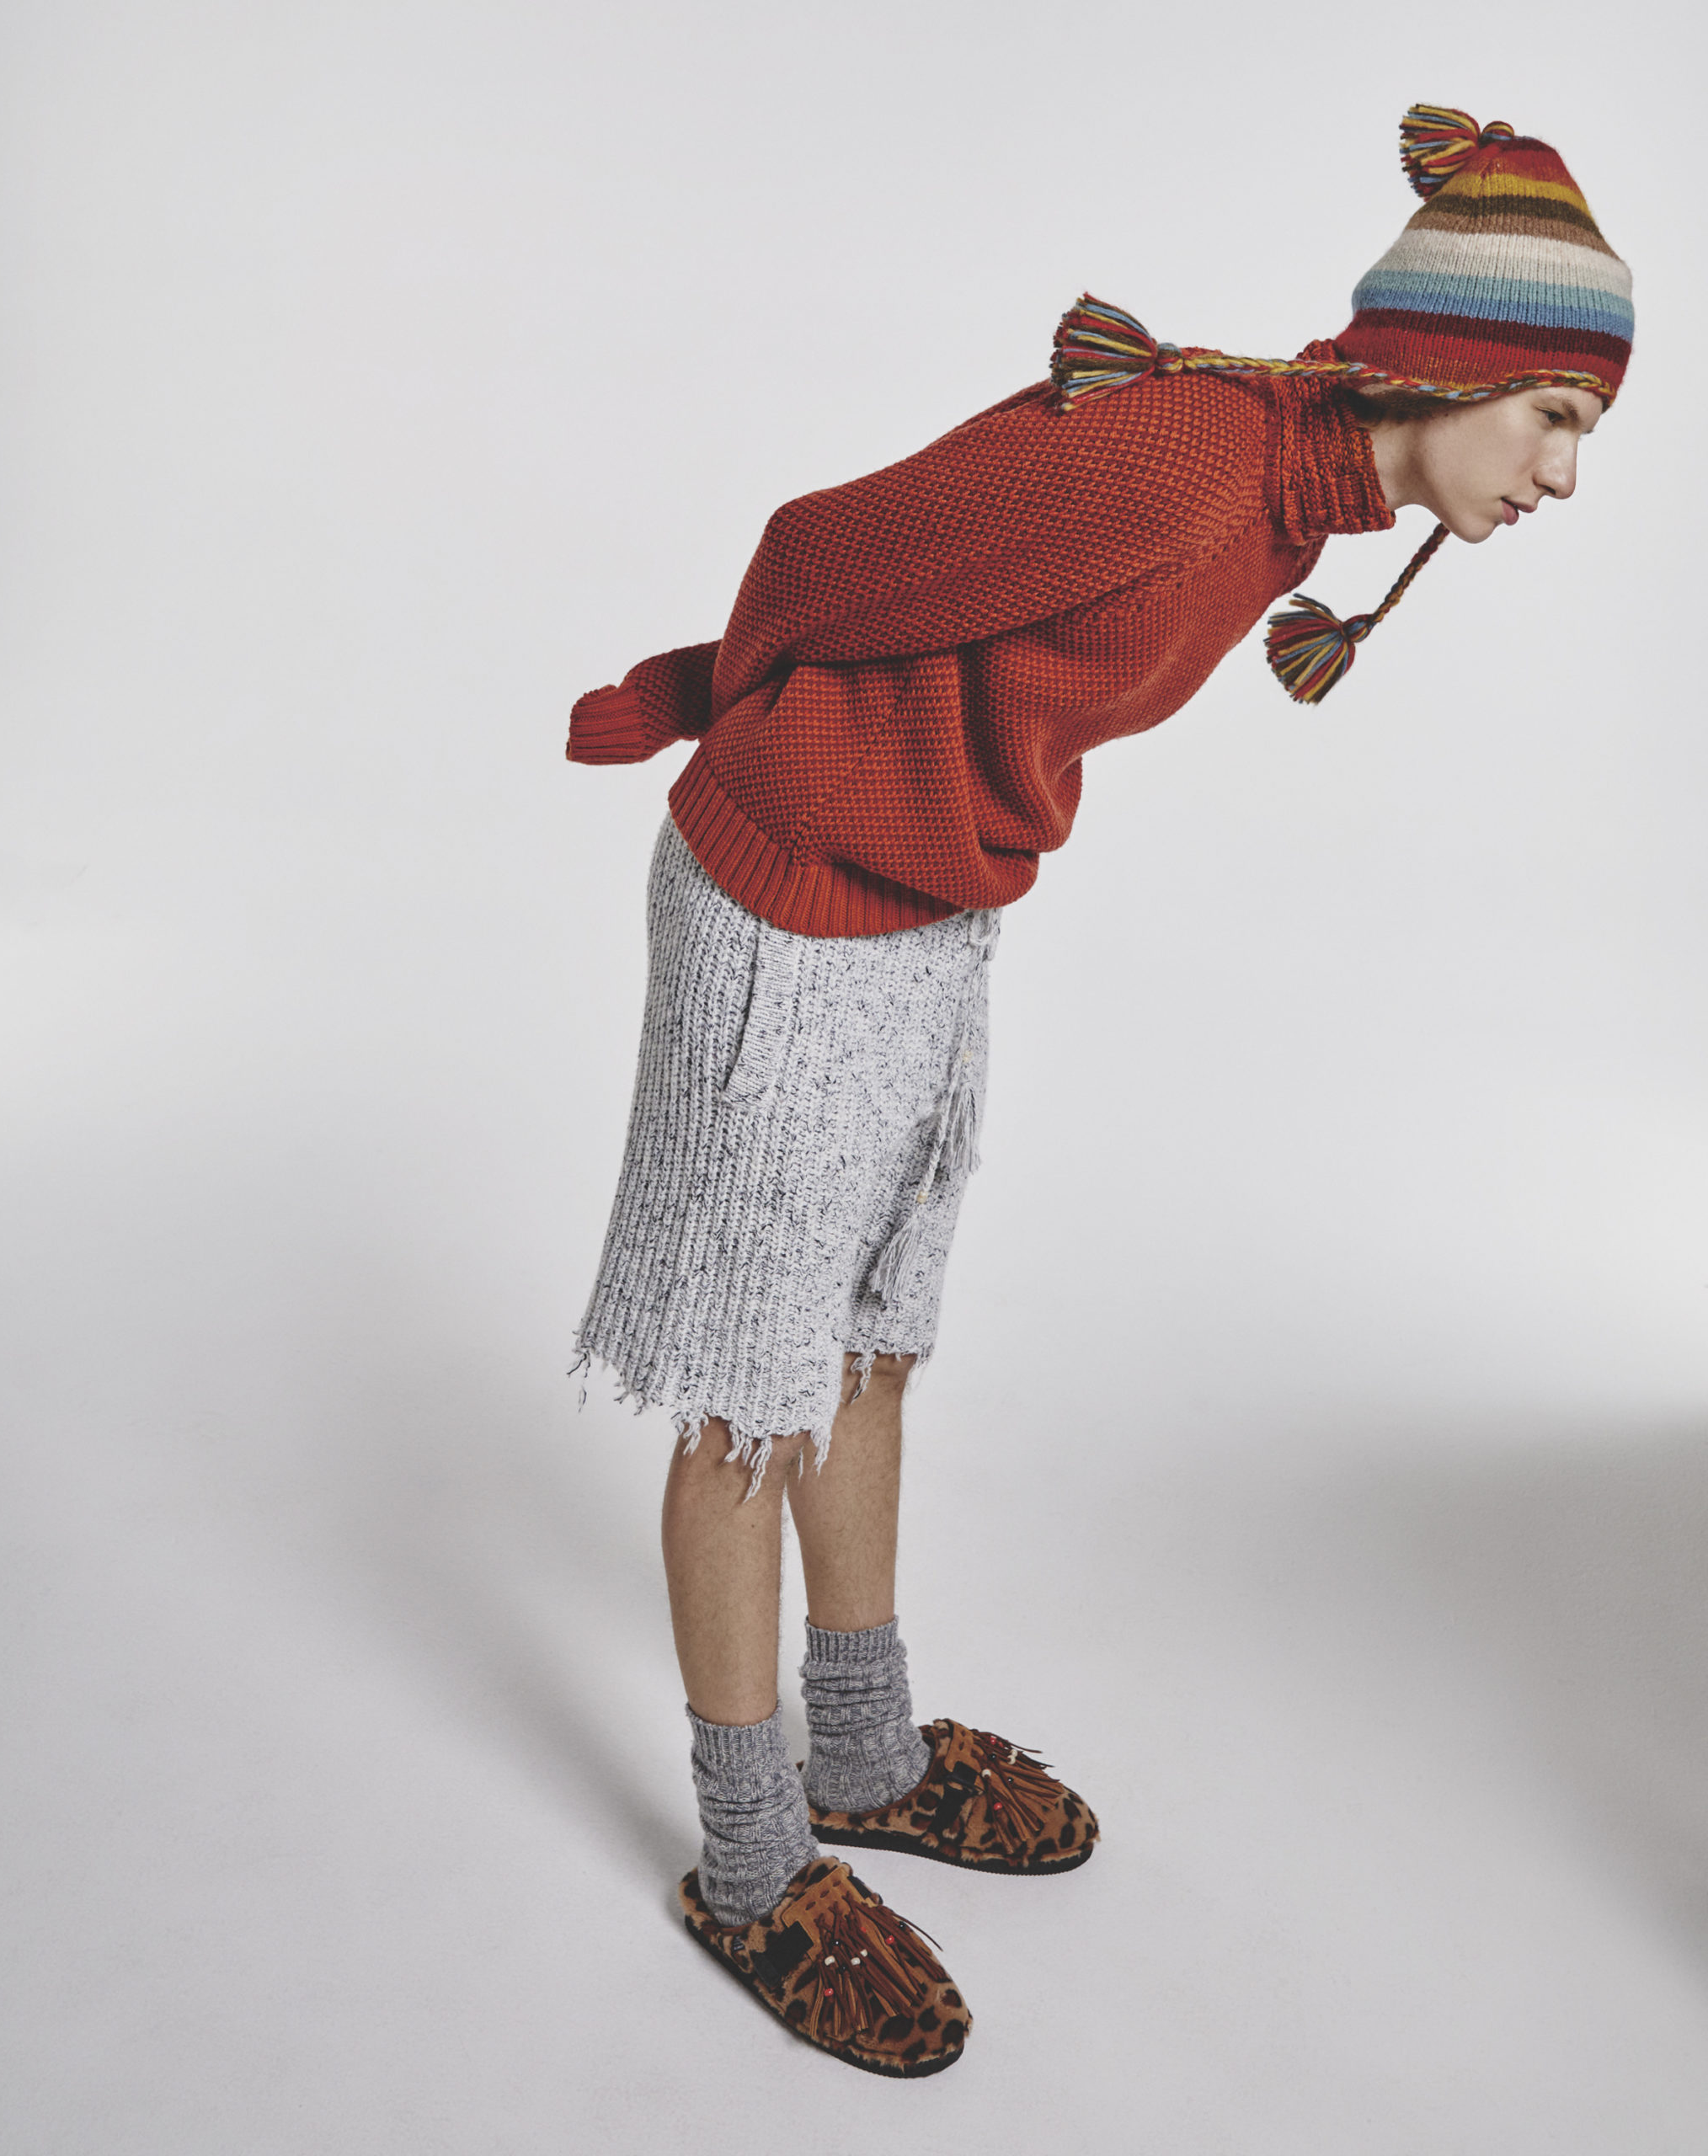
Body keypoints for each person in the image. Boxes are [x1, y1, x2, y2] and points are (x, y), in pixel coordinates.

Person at [566, 103, 1631, 2077]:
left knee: (869, 1344)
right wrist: (716, 691)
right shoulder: (1187, 462)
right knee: (749, 1389)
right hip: (789, 893)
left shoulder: (1295, 495)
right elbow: (823, 549)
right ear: (1449, 369)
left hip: (926, 902)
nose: (1564, 473)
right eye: (1554, 418)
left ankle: (864, 1749)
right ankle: (749, 1861)